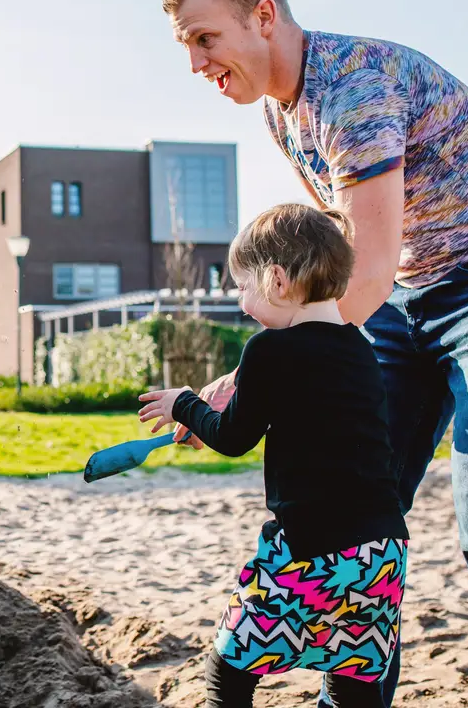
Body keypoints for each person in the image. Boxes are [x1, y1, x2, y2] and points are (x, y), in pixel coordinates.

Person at [162, 0, 468, 707]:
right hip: (406, 286)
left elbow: (361, 278)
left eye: (205, 38)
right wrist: (247, 383)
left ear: (263, 16)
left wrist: (252, 379)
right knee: (355, 507)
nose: (196, 63)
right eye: (186, 46)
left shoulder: (353, 89)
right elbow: (342, 254)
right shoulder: (281, 115)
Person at [140, 204, 409, 707]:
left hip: (309, 549)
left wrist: (185, 405)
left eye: (244, 287)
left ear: (278, 280)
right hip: (381, 554)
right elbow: (310, 416)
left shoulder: (267, 350)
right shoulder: (361, 349)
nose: (243, 304)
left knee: (228, 667)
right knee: (352, 674)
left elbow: (233, 438)